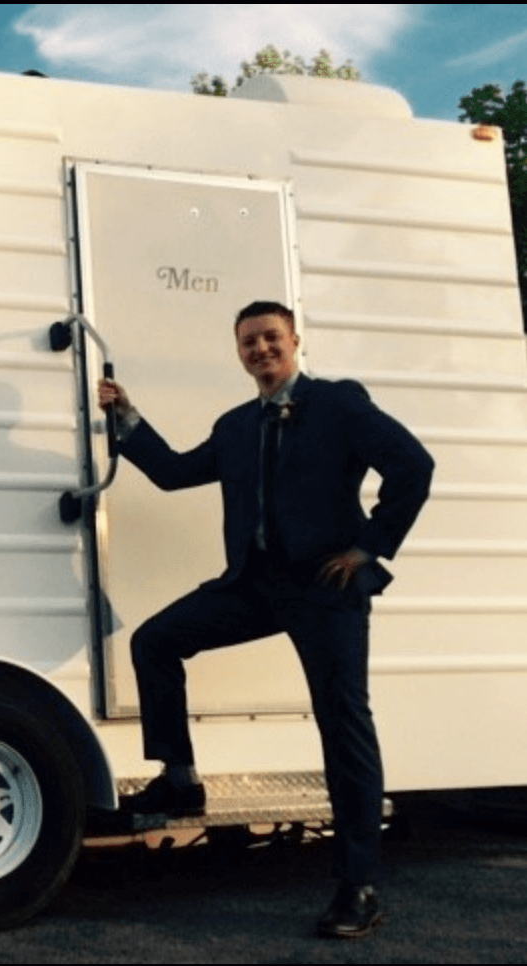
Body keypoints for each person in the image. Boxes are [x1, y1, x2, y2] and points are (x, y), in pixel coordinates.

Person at [99, 301, 434, 939]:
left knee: (345, 727)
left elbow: (413, 468)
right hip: (254, 586)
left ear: (294, 341)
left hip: (324, 589)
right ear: (239, 353)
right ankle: (178, 781)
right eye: (248, 342)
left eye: (270, 338)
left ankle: (358, 887)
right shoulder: (234, 427)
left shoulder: (340, 405)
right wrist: (125, 415)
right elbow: (172, 473)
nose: (260, 350)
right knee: (155, 641)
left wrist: (369, 546)